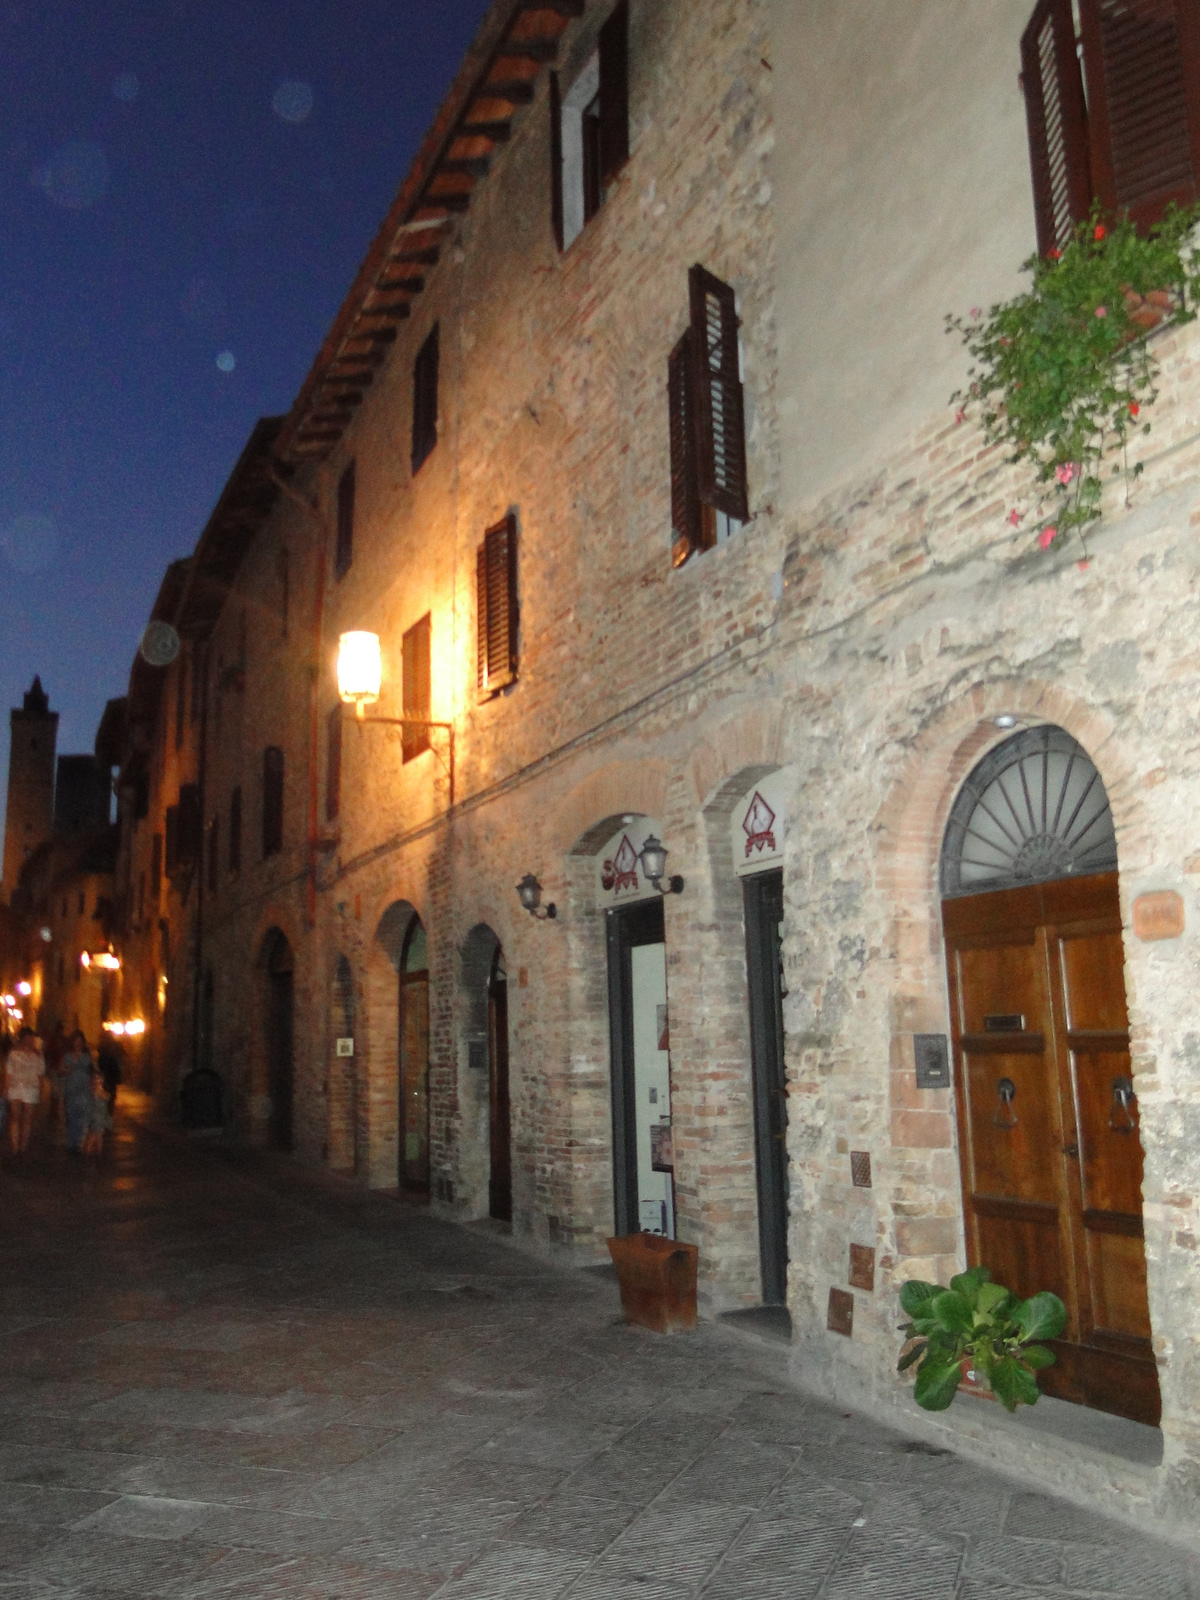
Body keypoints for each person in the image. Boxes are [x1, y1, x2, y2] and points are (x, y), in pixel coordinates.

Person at [5, 1028, 44, 1153]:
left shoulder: (37, 1055)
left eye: (31, 1038)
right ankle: (15, 1145)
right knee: (15, 1115)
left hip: (31, 1087)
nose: (30, 1040)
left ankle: (23, 1144)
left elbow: (40, 1073)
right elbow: (9, 1072)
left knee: (27, 1116)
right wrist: (5, 1088)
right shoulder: (14, 1053)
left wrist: (40, 1089)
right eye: (28, 1037)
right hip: (16, 1086)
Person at [60, 1031, 93, 1154]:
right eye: (76, 1041)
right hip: (71, 1089)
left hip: (84, 1089)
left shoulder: (87, 1056)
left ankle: (79, 1142)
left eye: (80, 1042)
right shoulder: (67, 1056)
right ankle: (71, 1142)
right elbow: (62, 1071)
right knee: (71, 1115)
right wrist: (66, 1071)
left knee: (82, 1116)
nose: (78, 1044)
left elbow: (92, 1071)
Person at [80, 1064, 112, 1156]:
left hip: (100, 1116)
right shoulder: (95, 1090)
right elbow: (105, 1097)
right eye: (96, 1078)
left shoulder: (98, 1089)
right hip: (96, 1117)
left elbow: (106, 1096)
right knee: (92, 1136)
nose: (98, 1080)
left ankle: (98, 1153)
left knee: (99, 1136)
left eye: (100, 1078)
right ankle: (87, 1153)